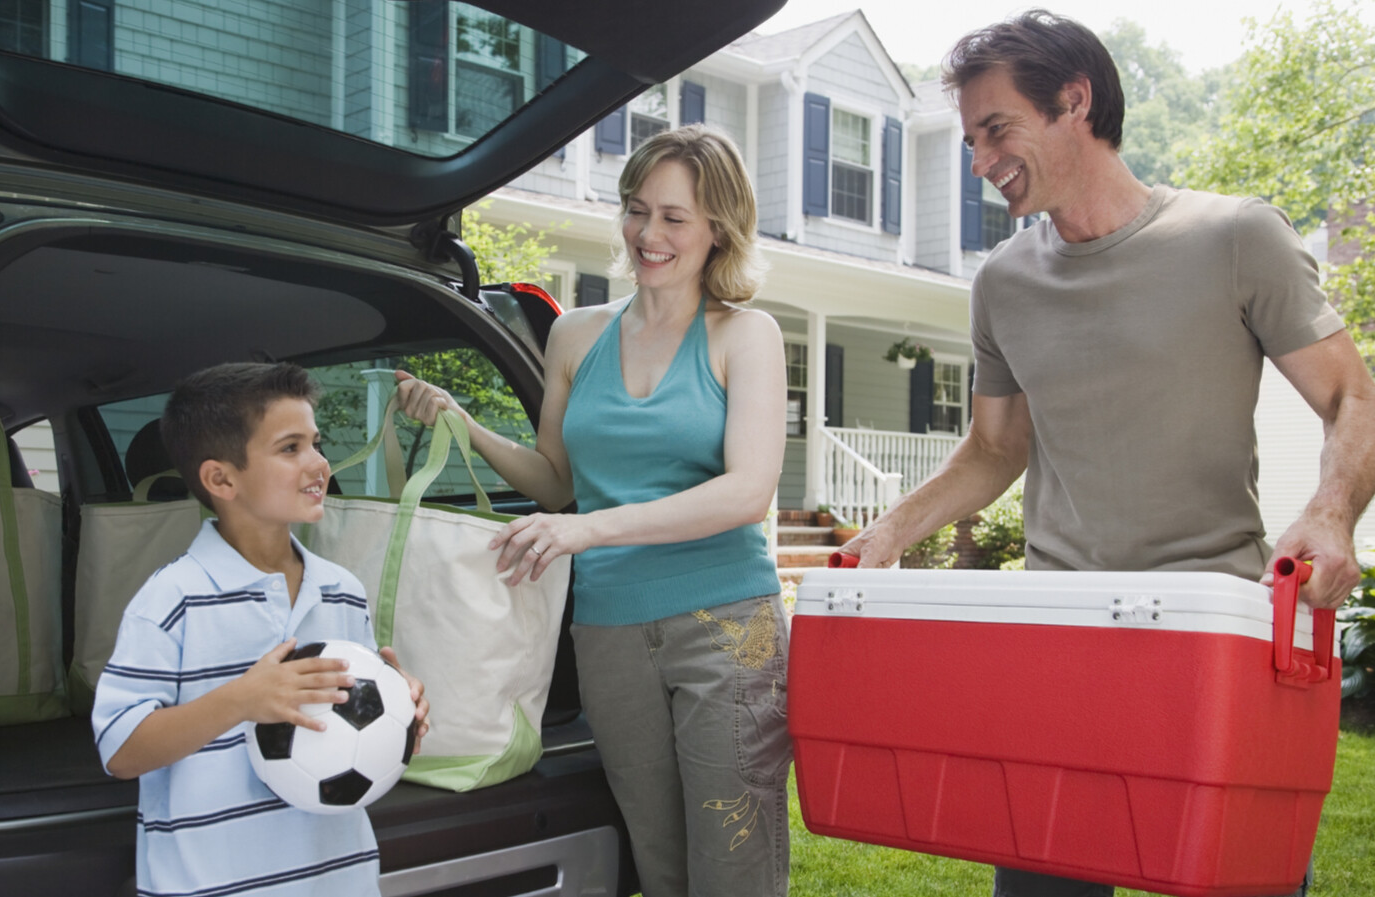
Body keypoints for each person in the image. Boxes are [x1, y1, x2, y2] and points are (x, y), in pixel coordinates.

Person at [840, 10, 1375, 897]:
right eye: (971, 137)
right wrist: (891, 530)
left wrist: (1330, 510)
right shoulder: (1003, 281)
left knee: (1241, 878)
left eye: (996, 129)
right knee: (1046, 882)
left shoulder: (1234, 237)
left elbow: (1351, 393)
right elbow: (995, 447)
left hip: (1210, 630)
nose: (979, 160)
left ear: (1075, 101)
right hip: (1060, 637)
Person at [396, 124, 790, 896]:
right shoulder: (577, 335)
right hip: (609, 632)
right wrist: (461, 423)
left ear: (718, 227)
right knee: (659, 859)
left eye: (674, 217)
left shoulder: (747, 335)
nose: (649, 234)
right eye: (636, 209)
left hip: (725, 627)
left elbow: (749, 490)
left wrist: (591, 529)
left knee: (733, 864)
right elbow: (555, 482)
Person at [92, 362, 429, 897]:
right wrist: (243, 700)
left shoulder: (342, 590)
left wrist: (398, 708)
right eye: (290, 448)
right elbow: (121, 750)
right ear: (221, 479)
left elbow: (355, 716)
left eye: (316, 443)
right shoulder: (172, 600)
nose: (319, 463)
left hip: (340, 882)